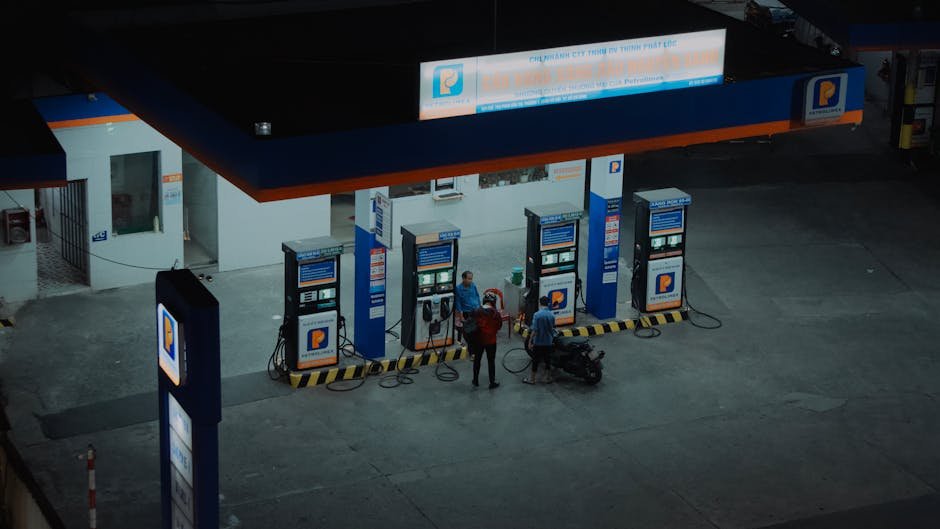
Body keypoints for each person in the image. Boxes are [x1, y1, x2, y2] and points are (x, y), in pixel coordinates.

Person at [466, 291, 503, 389]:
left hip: (478, 341)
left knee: (477, 360)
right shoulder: (496, 313)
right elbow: (499, 326)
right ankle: (492, 382)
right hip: (491, 341)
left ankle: (475, 380)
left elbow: (470, 325)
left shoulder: (476, 311)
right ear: (494, 302)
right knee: (491, 361)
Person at [525, 295, 555, 384]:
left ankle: (532, 379)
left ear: (540, 303)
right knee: (547, 360)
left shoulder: (537, 315)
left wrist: (530, 341)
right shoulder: (551, 315)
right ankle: (547, 378)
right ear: (548, 304)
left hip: (538, 342)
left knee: (535, 361)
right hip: (548, 341)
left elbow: (535, 330)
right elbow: (552, 328)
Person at [454, 270, 481, 346]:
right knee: (468, 331)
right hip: (467, 312)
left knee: (475, 329)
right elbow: (458, 302)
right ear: (463, 278)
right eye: (469, 279)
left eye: (471, 279)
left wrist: (479, 306)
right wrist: (461, 315)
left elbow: (477, 296)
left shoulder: (473, 285)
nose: (470, 281)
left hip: (476, 310)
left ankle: (474, 344)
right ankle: (469, 347)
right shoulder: (458, 289)